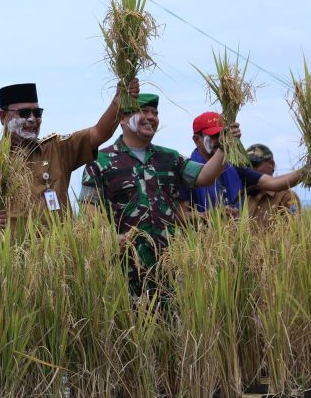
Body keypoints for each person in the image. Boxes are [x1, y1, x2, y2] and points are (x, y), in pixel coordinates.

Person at [79, 94, 229, 293]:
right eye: (143, 111)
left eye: (155, 113)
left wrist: (225, 146)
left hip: (170, 269)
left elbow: (205, 176)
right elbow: (89, 207)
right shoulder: (100, 161)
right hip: (124, 271)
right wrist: (109, 238)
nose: (151, 117)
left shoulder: (170, 158)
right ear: (122, 119)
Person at [0, 79, 139, 223]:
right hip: (10, 262)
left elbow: (99, 133)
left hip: (56, 260)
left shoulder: (57, 149)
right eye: (24, 113)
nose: (32, 119)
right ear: (3, 117)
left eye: (37, 113)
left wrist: (118, 101)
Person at [179, 112, 307, 218]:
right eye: (214, 136)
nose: (221, 140)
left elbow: (273, 183)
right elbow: (181, 216)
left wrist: (308, 170)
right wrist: (212, 215)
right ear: (197, 140)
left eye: (223, 134)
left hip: (238, 242)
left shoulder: (234, 167)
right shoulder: (187, 171)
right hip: (205, 245)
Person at [244, 143, 301, 226]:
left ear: (271, 164)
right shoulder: (243, 195)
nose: (250, 170)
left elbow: (294, 232)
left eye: (254, 165)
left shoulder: (287, 197)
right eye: (247, 166)